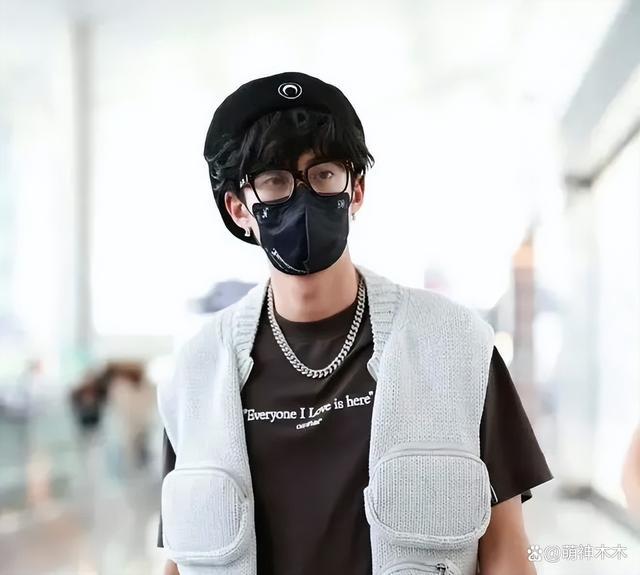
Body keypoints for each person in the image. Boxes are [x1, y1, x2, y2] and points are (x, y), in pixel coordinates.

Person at [156, 71, 553, 575]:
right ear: (239, 209)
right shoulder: (196, 373)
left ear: (356, 189)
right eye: (275, 181)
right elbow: (184, 558)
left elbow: (507, 551)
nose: (302, 198)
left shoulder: (457, 347)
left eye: (323, 174)